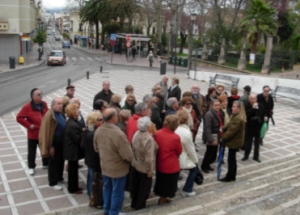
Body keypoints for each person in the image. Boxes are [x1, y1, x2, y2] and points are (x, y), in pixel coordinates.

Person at [94, 108, 133, 215]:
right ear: (112, 118)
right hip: (118, 169)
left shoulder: (99, 130)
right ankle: (114, 212)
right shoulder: (118, 134)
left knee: (107, 189)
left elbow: (96, 148)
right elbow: (128, 155)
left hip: (105, 166)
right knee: (117, 192)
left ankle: (107, 209)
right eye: (116, 115)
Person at [16, 88, 49, 175]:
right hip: (33, 133)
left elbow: (48, 113)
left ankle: (45, 163)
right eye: (38, 95)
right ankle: (31, 167)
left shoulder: (44, 104)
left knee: (44, 148)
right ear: (33, 97)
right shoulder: (27, 107)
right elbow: (19, 118)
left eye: (41, 94)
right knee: (32, 151)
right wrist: (29, 125)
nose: (41, 96)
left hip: (43, 132)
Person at [130, 117, 159, 210]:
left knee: (136, 186)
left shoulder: (136, 133)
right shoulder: (148, 138)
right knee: (144, 189)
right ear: (147, 126)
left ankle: (134, 203)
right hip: (143, 167)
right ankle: (140, 207)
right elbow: (149, 158)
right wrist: (150, 171)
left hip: (135, 164)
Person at [154, 115, 182, 205]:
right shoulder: (175, 137)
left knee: (161, 182)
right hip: (170, 165)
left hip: (160, 163)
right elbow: (179, 151)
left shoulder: (158, 133)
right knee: (168, 185)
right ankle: (162, 200)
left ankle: (163, 198)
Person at [39, 98, 66, 190]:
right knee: (53, 163)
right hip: (54, 143)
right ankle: (53, 182)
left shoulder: (61, 114)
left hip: (61, 143)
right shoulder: (49, 116)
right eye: (58, 104)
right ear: (53, 105)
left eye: (61, 104)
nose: (60, 105)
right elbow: (46, 133)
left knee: (61, 161)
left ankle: (59, 177)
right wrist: (50, 146)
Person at [220, 101, 246, 182]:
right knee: (232, 159)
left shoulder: (238, 118)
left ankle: (229, 176)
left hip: (234, 142)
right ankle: (233, 176)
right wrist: (223, 128)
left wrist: (222, 138)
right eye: (232, 106)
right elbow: (229, 125)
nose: (232, 108)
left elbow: (231, 132)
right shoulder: (235, 115)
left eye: (234, 107)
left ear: (239, 108)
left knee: (231, 160)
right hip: (236, 141)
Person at [175, 110, 198, 196]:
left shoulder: (174, 128)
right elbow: (191, 149)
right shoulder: (186, 133)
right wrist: (195, 160)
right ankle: (187, 189)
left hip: (175, 156)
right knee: (194, 170)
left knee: (176, 171)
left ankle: (174, 186)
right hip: (183, 156)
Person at [63, 103, 84, 194]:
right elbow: (78, 139)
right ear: (72, 112)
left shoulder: (72, 122)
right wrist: (84, 134)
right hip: (72, 151)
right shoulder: (72, 124)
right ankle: (72, 188)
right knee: (73, 171)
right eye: (76, 110)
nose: (78, 111)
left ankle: (74, 186)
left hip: (71, 150)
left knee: (73, 170)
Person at [201, 100, 224, 173]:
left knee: (213, 152)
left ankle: (208, 165)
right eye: (216, 105)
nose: (217, 107)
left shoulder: (220, 113)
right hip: (212, 135)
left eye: (218, 105)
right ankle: (204, 166)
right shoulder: (209, 114)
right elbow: (207, 128)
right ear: (212, 106)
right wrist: (210, 139)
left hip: (218, 134)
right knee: (209, 152)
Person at [84, 112, 103, 199]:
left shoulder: (89, 130)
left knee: (91, 178)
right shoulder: (92, 134)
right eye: (100, 119)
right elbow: (94, 150)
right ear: (95, 121)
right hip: (93, 160)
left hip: (90, 159)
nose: (102, 121)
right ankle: (92, 197)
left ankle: (91, 195)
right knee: (93, 179)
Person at [242, 95, 264, 163]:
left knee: (257, 142)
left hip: (257, 126)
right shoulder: (246, 105)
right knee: (248, 142)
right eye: (251, 99)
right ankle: (246, 155)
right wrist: (253, 108)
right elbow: (246, 115)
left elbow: (262, 114)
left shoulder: (260, 105)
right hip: (249, 126)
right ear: (249, 99)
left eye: (254, 99)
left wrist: (261, 123)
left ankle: (256, 156)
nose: (253, 100)